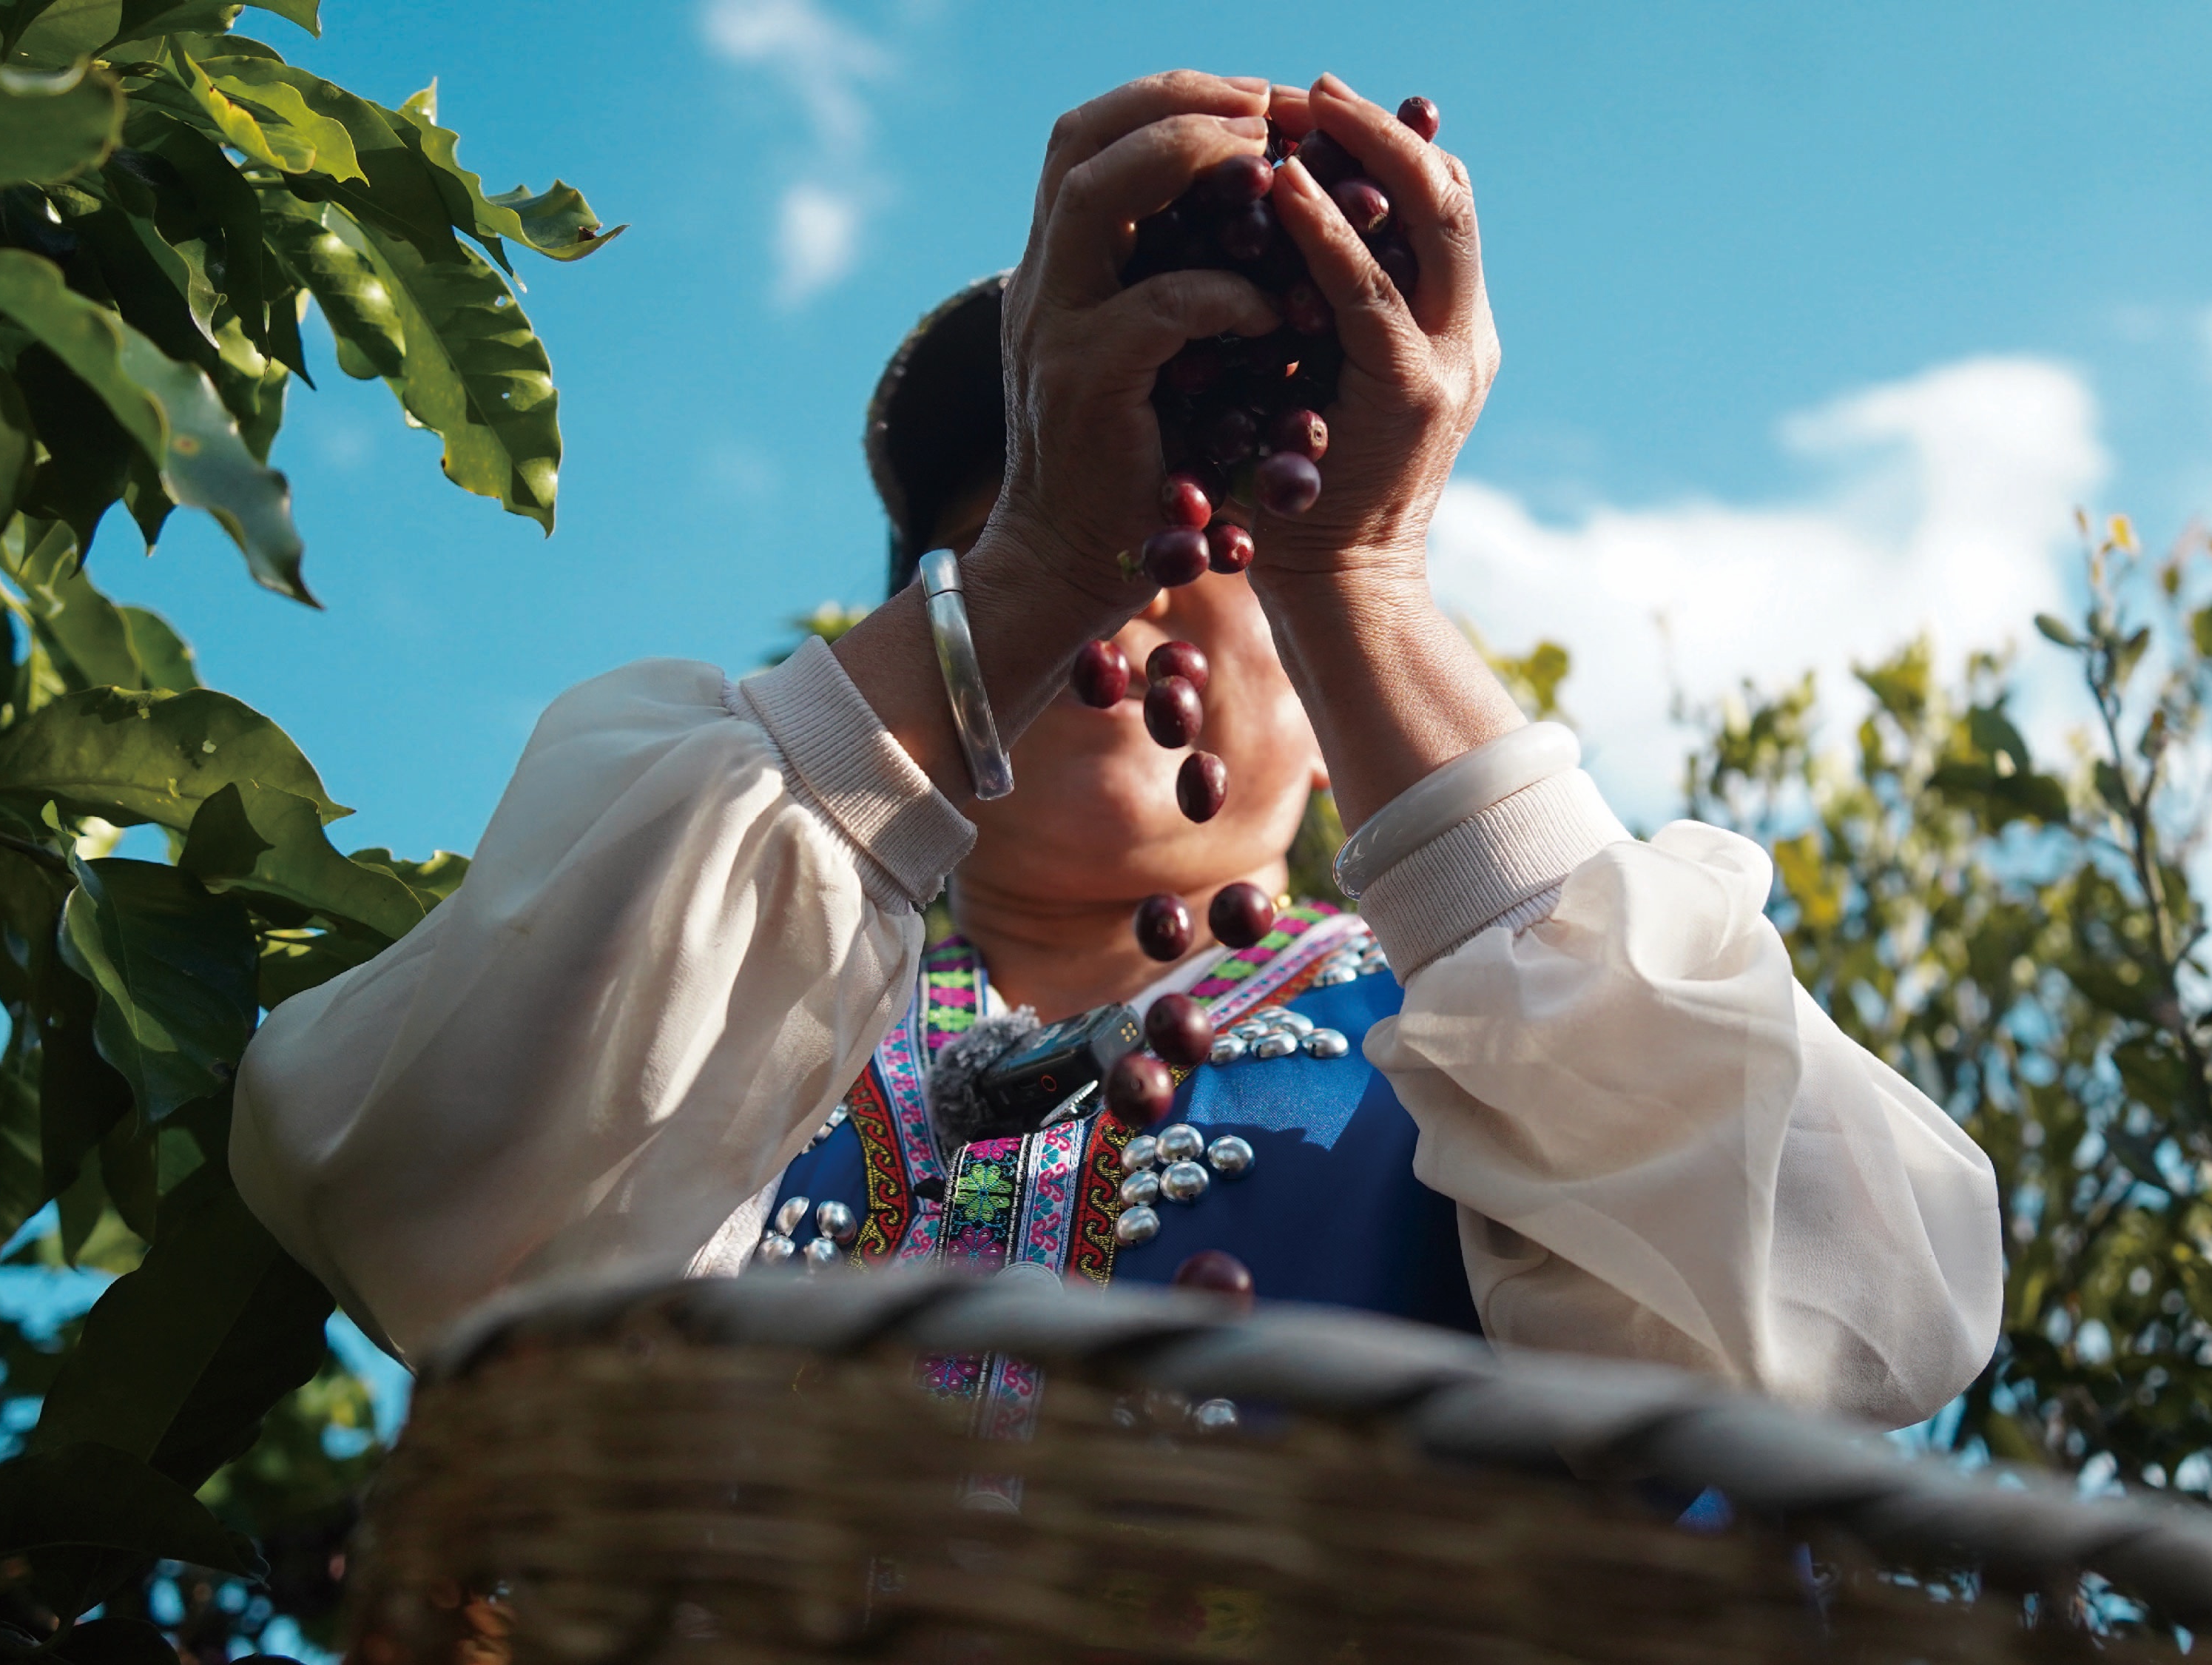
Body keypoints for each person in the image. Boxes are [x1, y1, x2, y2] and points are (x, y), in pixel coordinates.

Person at [231, 73, 2002, 1430]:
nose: (1135, 581)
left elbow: (1850, 1313)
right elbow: (413, 1195)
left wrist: (1361, 571)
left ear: (1331, 709)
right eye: (1024, 515)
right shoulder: (716, 1037)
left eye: (1210, 531)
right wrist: (1037, 569)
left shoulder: (1487, 1040)